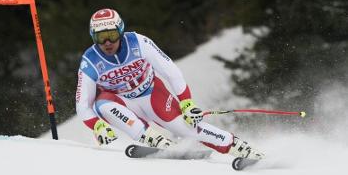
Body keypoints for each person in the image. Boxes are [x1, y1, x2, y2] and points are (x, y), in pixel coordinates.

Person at [75, 8, 264, 160]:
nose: (107, 42)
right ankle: (151, 138)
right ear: (93, 37)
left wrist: (186, 103)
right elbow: (83, 105)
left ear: (121, 31)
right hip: (121, 103)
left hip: (152, 94)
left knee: (185, 127)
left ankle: (237, 146)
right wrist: (97, 126)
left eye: (112, 35)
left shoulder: (139, 43)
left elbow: (171, 71)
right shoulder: (90, 61)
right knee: (102, 104)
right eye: (101, 37)